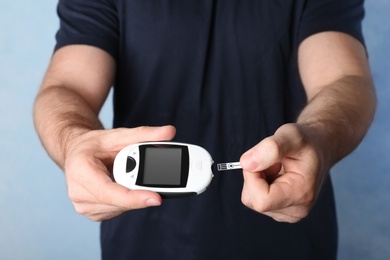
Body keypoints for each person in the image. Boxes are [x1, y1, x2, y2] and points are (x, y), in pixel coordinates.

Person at [33, 0, 376, 259]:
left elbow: (346, 80)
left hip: (289, 240)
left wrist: (319, 137)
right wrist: (73, 140)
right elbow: (66, 87)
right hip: (141, 240)